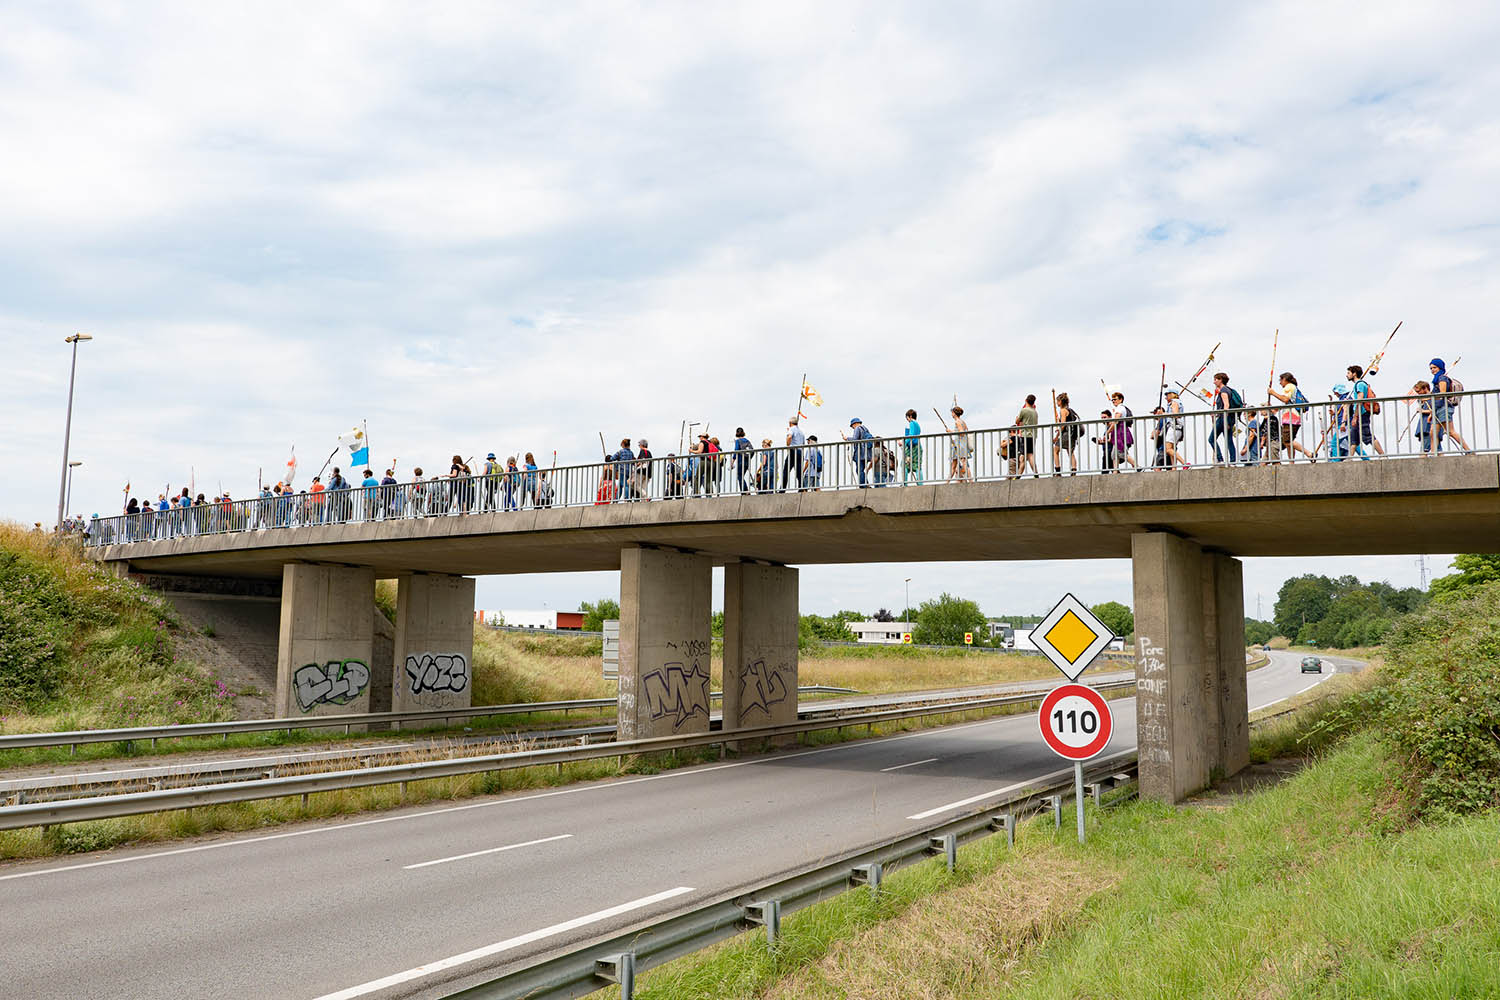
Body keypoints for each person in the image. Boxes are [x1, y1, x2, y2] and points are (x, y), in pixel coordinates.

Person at [1267, 372, 1315, 462]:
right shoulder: (1293, 388)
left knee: (1288, 441)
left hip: (1290, 418)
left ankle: (1309, 454)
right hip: (1293, 418)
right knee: (1289, 441)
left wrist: (1273, 393)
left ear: (1285, 379)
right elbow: (1286, 403)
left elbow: (1285, 399)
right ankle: (1291, 461)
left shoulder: (1289, 386)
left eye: (1281, 380)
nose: (1280, 382)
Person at [1428, 359, 1472, 454]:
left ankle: (1468, 450)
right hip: (1437, 409)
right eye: (1431, 368)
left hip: (1443, 408)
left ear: (1440, 367)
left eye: (1434, 367)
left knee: (1450, 431)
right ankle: (1434, 454)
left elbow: (1442, 394)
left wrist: (1430, 397)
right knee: (1433, 432)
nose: (1432, 370)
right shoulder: (1437, 379)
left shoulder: (1442, 378)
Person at [1347, 365, 1384, 458]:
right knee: (1354, 438)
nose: (1347, 375)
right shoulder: (1360, 384)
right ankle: (1350, 458)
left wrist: (1355, 416)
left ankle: (1383, 455)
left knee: (1367, 436)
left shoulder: (1359, 384)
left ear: (1354, 374)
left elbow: (1359, 400)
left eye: (1349, 373)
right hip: (1359, 414)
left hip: (1362, 414)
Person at [1209, 373, 1240, 465]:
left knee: (1211, 439)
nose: (1214, 382)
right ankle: (1233, 461)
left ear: (1220, 380)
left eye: (1215, 379)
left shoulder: (1223, 390)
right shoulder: (1228, 389)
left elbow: (1226, 405)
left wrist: (1225, 421)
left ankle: (1220, 459)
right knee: (1229, 440)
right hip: (1228, 418)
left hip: (1224, 418)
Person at [1052, 393, 1082, 476]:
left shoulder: (1063, 410)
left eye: (1057, 401)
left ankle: (1058, 471)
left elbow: (1063, 425)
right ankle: (1074, 470)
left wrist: (1057, 436)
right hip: (1072, 434)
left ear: (1060, 401)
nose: (1056, 403)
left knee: (1055, 450)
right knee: (1070, 452)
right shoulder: (1070, 410)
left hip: (1066, 434)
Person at [1411, 381, 1444, 455]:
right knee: (1438, 449)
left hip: (1428, 426)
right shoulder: (1424, 399)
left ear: (1425, 388)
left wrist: (1422, 411)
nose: (1418, 393)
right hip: (1428, 426)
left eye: (1419, 391)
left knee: (1424, 450)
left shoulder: (1434, 398)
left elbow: (1435, 411)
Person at [1109, 392, 1137, 471]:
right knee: (1114, 454)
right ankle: (1115, 472)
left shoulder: (1120, 408)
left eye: (1115, 399)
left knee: (1121, 453)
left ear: (1120, 399)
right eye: (1112, 400)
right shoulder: (1120, 408)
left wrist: (1108, 432)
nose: (1113, 401)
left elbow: (1116, 421)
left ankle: (1137, 466)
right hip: (1119, 432)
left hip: (1120, 433)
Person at [1162, 389, 1189, 469]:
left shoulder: (1174, 402)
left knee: (1168, 449)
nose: (1166, 397)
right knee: (1172, 449)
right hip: (1178, 428)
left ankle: (1184, 463)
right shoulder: (1177, 402)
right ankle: (1174, 467)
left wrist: (1164, 414)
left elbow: (1175, 414)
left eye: (1167, 394)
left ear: (1172, 394)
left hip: (1174, 427)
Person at [1015, 395, 1039, 476]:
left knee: (1029, 455)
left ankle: (1035, 473)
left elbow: (1017, 421)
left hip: (1025, 435)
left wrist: (1018, 419)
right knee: (1023, 457)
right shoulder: (1035, 412)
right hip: (1033, 435)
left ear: (1026, 400)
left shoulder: (1024, 410)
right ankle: (1019, 475)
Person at [848, 418, 874, 486]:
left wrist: (847, 438)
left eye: (852, 426)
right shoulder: (865, 429)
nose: (852, 428)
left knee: (859, 470)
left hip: (860, 453)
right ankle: (866, 484)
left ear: (855, 424)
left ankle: (864, 485)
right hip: (867, 453)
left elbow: (855, 439)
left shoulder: (857, 428)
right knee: (861, 470)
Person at [949, 407, 972, 481]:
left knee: (961, 465)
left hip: (959, 445)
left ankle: (970, 480)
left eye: (952, 413)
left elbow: (961, 433)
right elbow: (966, 430)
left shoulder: (957, 422)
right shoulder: (963, 422)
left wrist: (950, 432)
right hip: (962, 445)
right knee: (959, 464)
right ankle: (969, 480)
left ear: (954, 413)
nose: (951, 414)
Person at [783, 418, 805, 492]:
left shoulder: (791, 429)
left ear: (790, 423)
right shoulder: (801, 432)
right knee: (799, 472)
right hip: (800, 452)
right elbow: (803, 443)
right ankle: (801, 488)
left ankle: (782, 489)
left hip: (793, 451)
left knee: (786, 470)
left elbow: (789, 437)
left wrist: (788, 445)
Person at [902, 409, 923, 484]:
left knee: (904, 465)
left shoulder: (911, 423)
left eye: (907, 417)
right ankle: (920, 483)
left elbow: (911, 435)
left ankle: (904, 483)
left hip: (911, 447)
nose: (907, 420)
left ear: (910, 416)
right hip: (918, 446)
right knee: (917, 465)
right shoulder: (917, 424)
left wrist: (904, 442)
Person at [733, 428, 753, 493]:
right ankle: (745, 491)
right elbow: (752, 451)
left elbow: (736, 451)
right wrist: (749, 458)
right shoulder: (747, 441)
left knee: (740, 476)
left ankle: (745, 491)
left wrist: (732, 462)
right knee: (741, 476)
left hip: (740, 461)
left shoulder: (738, 441)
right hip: (747, 461)